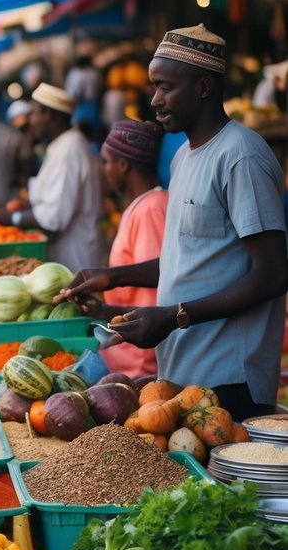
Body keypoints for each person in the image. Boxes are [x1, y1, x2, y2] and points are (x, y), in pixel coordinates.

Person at [63, 24, 288, 418]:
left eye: (166, 87)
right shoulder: (183, 157)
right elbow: (187, 259)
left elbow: (272, 273)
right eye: (154, 87)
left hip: (229, 378)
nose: (155, 100)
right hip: (183, 371)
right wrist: (113, 278)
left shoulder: (241, 156)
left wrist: (174, 315)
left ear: (203, 87)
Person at [87, 119, 168, 380]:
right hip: (123, 355)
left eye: (106, 162)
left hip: (138, 365)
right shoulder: (144, 205)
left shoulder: (151, 209)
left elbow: (154, 294)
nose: (104, 170)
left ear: (123, 165)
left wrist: (143, 370)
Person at [2, 83, 102, 271]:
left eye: (33, 114)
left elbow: (52, 221)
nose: (31, 121)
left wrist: (12, 218)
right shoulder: (62, 146)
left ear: (47, 115)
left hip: (75, 261)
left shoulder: (69, 150)